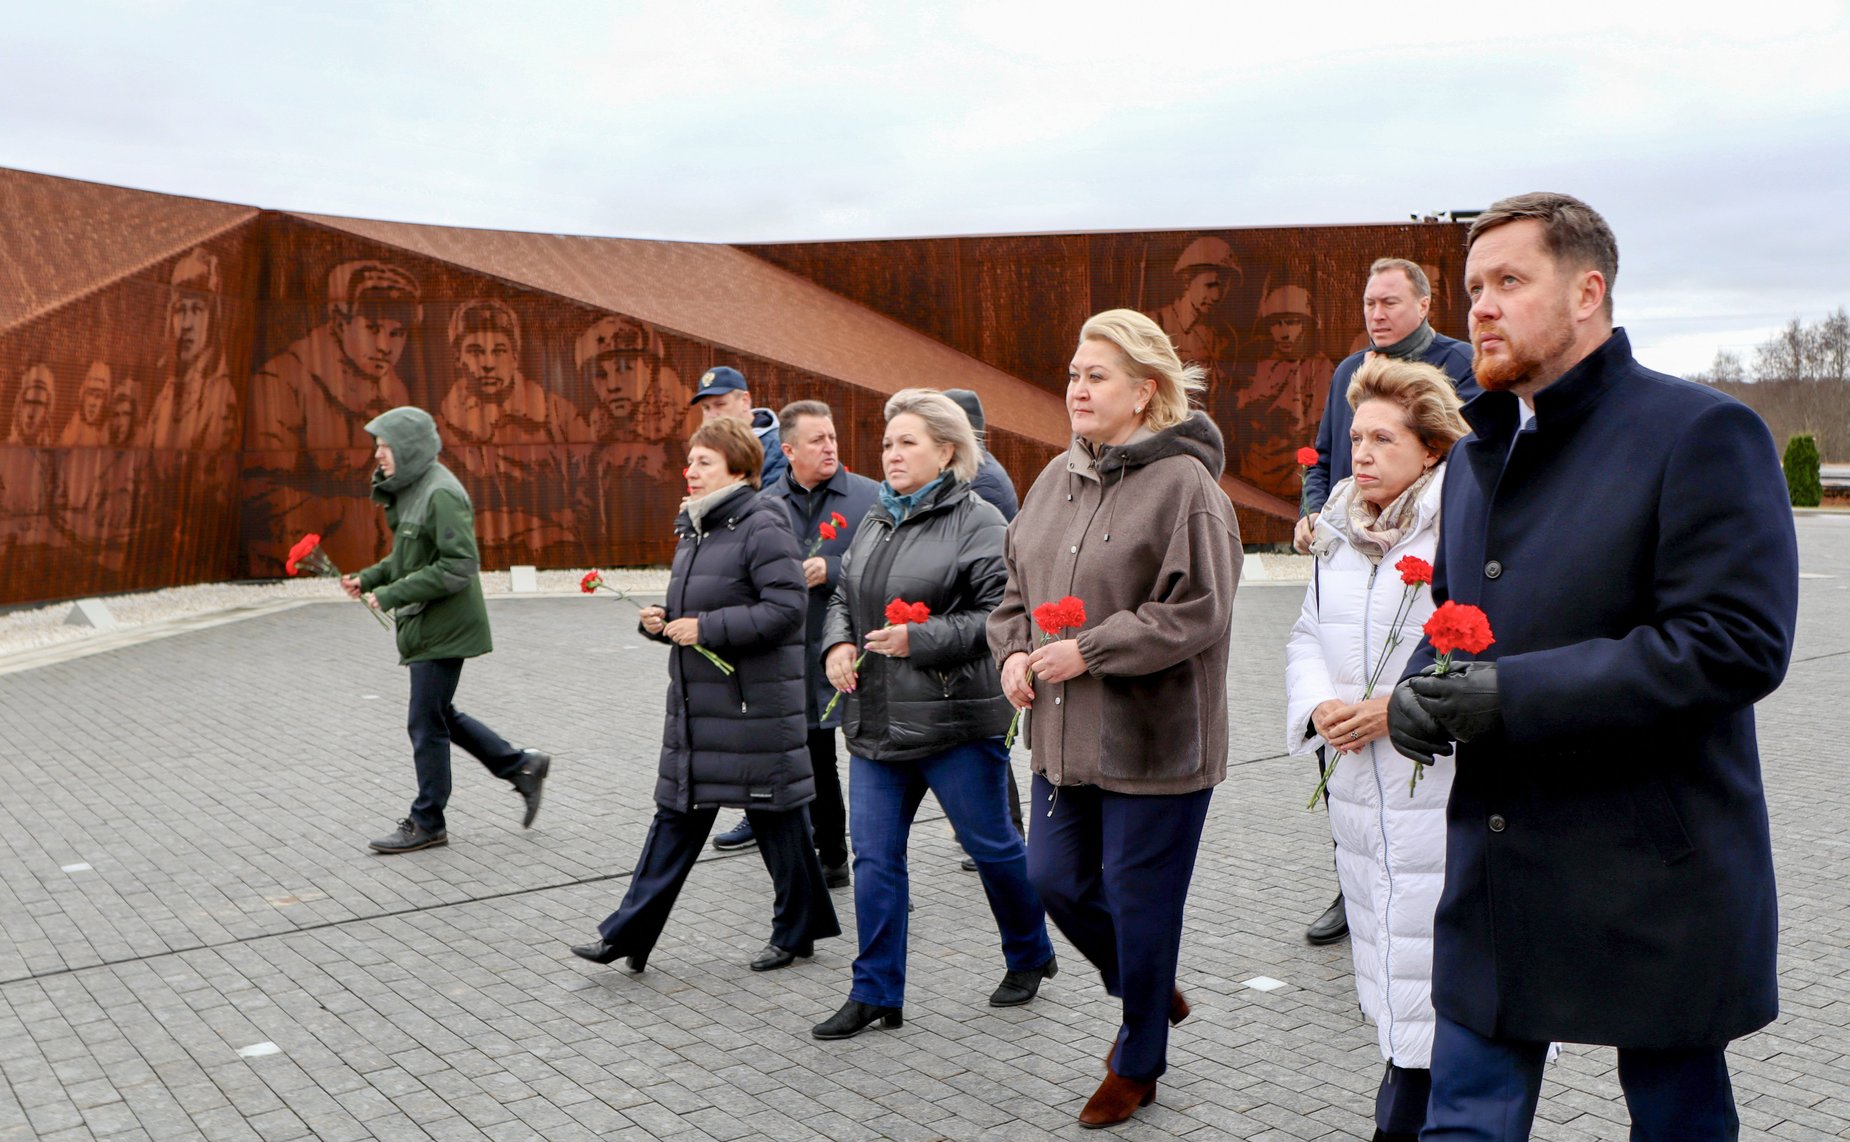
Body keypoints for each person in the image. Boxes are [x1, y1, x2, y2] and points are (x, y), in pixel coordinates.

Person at [1387, 192, 1800, 1139]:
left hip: (1649, 874)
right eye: (1472, 289)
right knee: (1463, 1124)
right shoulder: (1479, 455)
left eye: (1509, 281)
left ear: (1588, 292)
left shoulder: (1700, 432)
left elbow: (1735, 641)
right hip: (1499, 870)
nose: (1481, 307)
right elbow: (1455, 622)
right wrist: (1418, 682)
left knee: (1678, 1120)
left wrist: (1509, 696)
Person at [989, 309, 1241, 1128]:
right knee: (1051, 879)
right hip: (1062, 739)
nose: (1077, 389)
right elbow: (1013, 593)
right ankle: (1148, 988)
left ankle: (1139, 1057)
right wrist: (1013, 654)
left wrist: (1089, 651)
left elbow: (1199, 610)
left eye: (1097, 376)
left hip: (1156, 744)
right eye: (1074, 374)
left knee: (1141, 904)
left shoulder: (1187, 486)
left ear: (1145, 391)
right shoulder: (1051, 479)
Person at [812, 388, 1054, 1040]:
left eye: (907, 443)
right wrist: (836, 643)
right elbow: (844, 594)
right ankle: (875, 992)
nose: (891, 454)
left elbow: (1000, 618)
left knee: (992, 847)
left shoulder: (980, 522)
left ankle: (1030, 951)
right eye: (887, 443)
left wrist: (919, 640)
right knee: (874, 859)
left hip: (953, 725)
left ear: (946, 452)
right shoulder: (876, 517)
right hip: (876, 722)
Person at [571, 416, 839, 973]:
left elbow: (786, 609)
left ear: (737, 469)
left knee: (777, 818)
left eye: (703, 462)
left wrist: (705, 628)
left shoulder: (763, 522)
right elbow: (705, 605)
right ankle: (630, 933)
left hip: (750, 707)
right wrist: (661, 620)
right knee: (678, 815)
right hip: (700, 709)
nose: (689, 471)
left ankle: (797, 928)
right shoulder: (698, 527)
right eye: (690, 461)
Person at [1282, 356, 1469, 1142]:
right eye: (1356, 437)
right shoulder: (1339, 527)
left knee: (1434, 977)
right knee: (1391, 963)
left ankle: (1417, 1116)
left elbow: (1480, 641)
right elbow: (1306, 633)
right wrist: (1318, 703)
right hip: (1359, 788)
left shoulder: (1459, 522)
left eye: (1383, 439)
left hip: (1434, 782)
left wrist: (1401, 706)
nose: (1361, 453)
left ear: (1430, 449)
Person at [1294, 257, 1478, 949]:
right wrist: (1317, 513)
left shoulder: (1459, 364)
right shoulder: (1349, 371)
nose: (1377, 313)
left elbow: (1474, 454)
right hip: (1351, 548)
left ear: (1424, 304)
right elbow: (1322, 459)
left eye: (1390, 301)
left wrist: (1400, 706)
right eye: (1369, 302)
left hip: (1426, 755)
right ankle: (1350, 888)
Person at [343, 406, 552, 854]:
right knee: (438, 715)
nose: (377, 455)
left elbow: (459, 566)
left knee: (425, 722)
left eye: (384, 446)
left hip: (444, 627)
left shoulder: (441, 493)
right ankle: (521, 766)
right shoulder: (416, 489)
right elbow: (409, 556)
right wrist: (371, 578)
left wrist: (393, 593)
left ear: (408, 447)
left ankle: (428, 821)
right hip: (428, 623)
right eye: (377, 446)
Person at [757, 400, 879, 889]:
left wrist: (832, 568)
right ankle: (831, 857)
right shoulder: (767, 504)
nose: (829, 447)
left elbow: (890, 565)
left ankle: (880, 865)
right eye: (817, 440)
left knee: (874, 762)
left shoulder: (869, 496)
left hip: (856, 650)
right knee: (815, 759)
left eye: (832, 437)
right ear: (788, 451)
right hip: (794, 655)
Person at [246, 260, 422, 576]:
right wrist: (355, 524)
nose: (385, 346)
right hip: (306, 565)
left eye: (397, 333)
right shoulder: (281, 381)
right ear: (340, 324)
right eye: (372, 328)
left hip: (381, 567)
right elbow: (264, 493)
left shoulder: (395, 395)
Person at [435, 298, 591, 567]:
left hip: (554, 551)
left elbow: (589, 488)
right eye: (475, 351)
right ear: (457, 357)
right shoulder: (441, 429)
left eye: (499, 351)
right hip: (471, 556)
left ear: (515, 356)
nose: (488, 363)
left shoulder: (558, 415)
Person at [941, 387, 1025, 870]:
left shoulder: (983, 480)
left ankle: (1006, 831)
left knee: (986, 737)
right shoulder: (975, 471)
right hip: (978, 618)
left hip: (985, 620)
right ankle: (984, 828)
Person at [689, 365, 787, 494]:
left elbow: (775, 502)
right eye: (706, 408)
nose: (712, 415)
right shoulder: (705, 447)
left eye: (720, 404)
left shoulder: (778, 448)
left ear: (745, 400)